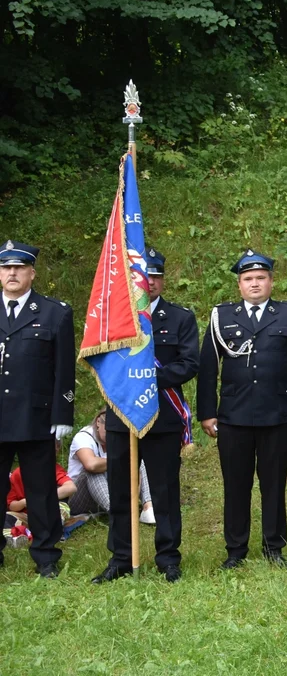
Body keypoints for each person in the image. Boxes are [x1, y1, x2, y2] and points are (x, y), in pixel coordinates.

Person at [198, 249, 287, 571]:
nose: (254, 284)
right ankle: (235, 549)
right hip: (233, 418)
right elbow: (208, 366)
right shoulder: (221, 317)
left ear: (271, 282)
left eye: (260, 278)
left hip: (276, 415)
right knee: (235, 485)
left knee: (273, 484)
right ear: (239, 284)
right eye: (248, 279)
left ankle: (273, 547)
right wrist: (207, 412)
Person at [93, 248, 200, 583]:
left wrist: (147, 378)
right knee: (122, 490)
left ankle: (168, 558)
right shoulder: (114, 319)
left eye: (155, 276)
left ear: (162, 280)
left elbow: (189, 363)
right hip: (122, 416)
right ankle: (122, 558)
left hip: (162, 416)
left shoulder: (180, 318)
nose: (149, 282)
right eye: (144, 276)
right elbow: (101, 362)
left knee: (165, 491)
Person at [0, 240, 75, 578]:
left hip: (36, 416)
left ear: (32, 273)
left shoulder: (54, 312)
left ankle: (46, 556)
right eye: (6, 268)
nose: (11, 273)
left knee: (41, 489)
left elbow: (64, 370)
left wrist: (62, 414)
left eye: (18, 268)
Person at [66, 408, 152, 518]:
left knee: (138, 459)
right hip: (78, 497)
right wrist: (122, 461)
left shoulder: (119, 438)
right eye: (108, 430)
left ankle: (148, 507)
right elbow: (90, 464)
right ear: (98, 422)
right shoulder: (83, 437)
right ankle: (118, 513)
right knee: (92, 470)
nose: (112, 435)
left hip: (109, 490)